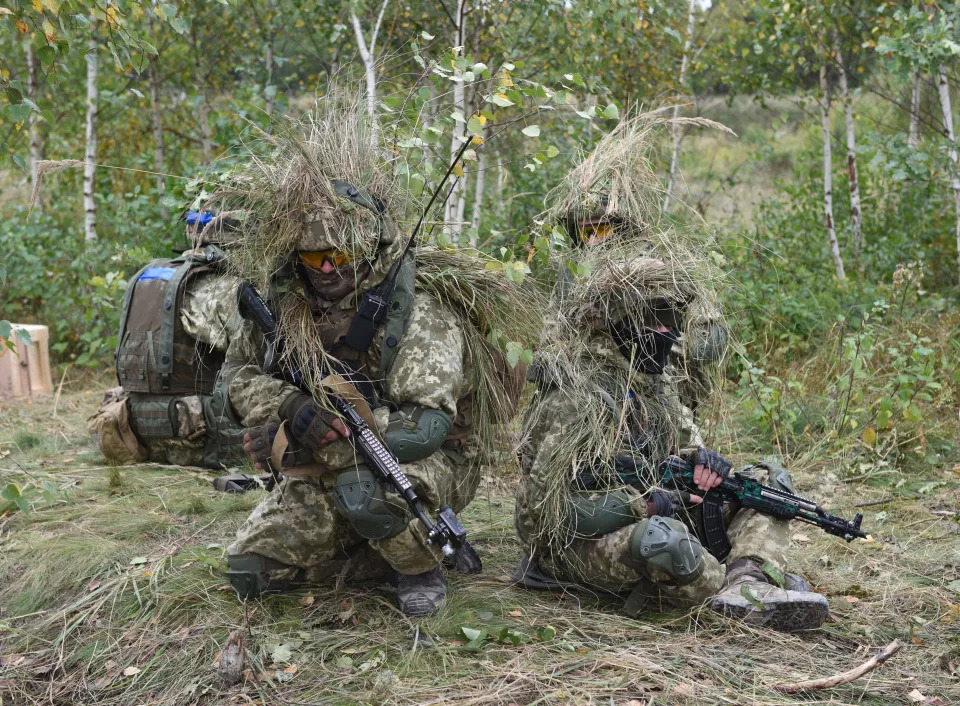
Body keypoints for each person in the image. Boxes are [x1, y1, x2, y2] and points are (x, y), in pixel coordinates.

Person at [217, 97, 533, 618]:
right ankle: (367, 551)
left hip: (424, 459)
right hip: (330, 461)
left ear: (366, 247)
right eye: (312, 257)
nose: (325, 268)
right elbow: (234, 381)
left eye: (338, 254)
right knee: (250, 573)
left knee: (362, 494)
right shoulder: (280, 307)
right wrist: (293, 409)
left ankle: (416, 565)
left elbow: (427, 427)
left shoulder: (418, 313)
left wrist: (319, 446)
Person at [513, 239, 829, 633]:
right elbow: (550, 513)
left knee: (765, 484)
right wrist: (644, 504)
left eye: (672, 318)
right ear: (619, 320)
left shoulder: (653, 382)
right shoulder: (578, 395)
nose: (667, 331)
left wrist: (703, 461)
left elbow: (684, 444)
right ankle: (735, 596)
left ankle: (749, 579)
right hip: (571, 545)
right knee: (665, 541)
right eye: (654, 318)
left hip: (656, 509)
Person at [88, 213, 247, 468]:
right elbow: (258, 352)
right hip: (196, 438)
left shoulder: (154, 276)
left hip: (137, 434)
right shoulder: (222, 288)